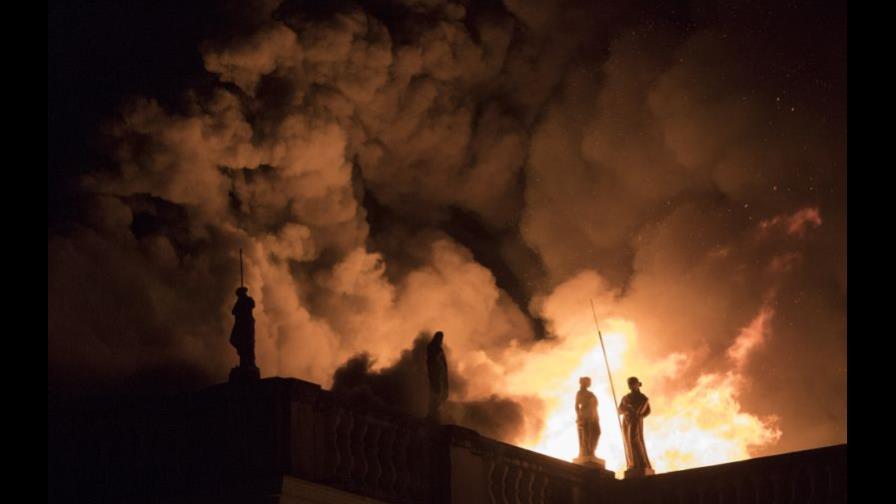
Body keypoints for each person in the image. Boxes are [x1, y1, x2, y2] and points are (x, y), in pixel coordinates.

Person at [618, 376, 653, 476]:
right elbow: (619, 410)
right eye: (629, 384)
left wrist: (640, 416)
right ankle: (632, 464)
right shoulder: (625, 398)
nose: (631, 385)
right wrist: (626, 408)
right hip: (626, 421)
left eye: (633, 383)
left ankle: (642, 463)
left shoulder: (643, 398)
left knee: (634, 440)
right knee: (628, 442)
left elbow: (648, 411)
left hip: (636, 421)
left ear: (638, 384)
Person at [229, 286, 256, 369]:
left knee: (248, 344)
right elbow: (233, 312)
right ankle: (243, 358)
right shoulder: (239, 301)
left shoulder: (248, 300)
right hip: (240, 325)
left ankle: (249, 362)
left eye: (240, 294)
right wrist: (239, 302)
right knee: (235, 340)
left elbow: (252, 305)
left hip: (247, 325)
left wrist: (242, 302)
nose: (239, 296)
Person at [575, 377, 601, 460]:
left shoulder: (591, 393)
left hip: (593, 416)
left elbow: (595, 403)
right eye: (587, 382)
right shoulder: (580, 393)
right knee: (586, 435)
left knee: (597, 432)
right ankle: (587, 453)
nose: (589, 383)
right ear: (583, 383)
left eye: (589, 382)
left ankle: (591, 450)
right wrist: (579, 416)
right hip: (585, 416)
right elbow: (576, 405)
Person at [426, 331, 448, 420]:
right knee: (435, 392)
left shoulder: (438, 349)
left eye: (441, 338)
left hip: (439, 374)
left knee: (438, 392)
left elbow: (444, 363)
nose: (441, 340)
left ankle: (434, 413)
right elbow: (431, 360)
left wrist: (444, 374)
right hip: (434, 373)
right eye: (440, 338)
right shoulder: (432, 348)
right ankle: (432, 414)